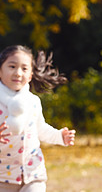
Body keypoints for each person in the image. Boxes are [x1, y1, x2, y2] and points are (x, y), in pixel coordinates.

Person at [0, 45, 76, 191]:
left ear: (30, 75)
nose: (18, 73)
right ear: (0, 71)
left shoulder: (33, 101)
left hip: (33, 174)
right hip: (3, 178)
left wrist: (60, 136)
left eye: (24, 68)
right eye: (12, 66)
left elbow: (41, 129)